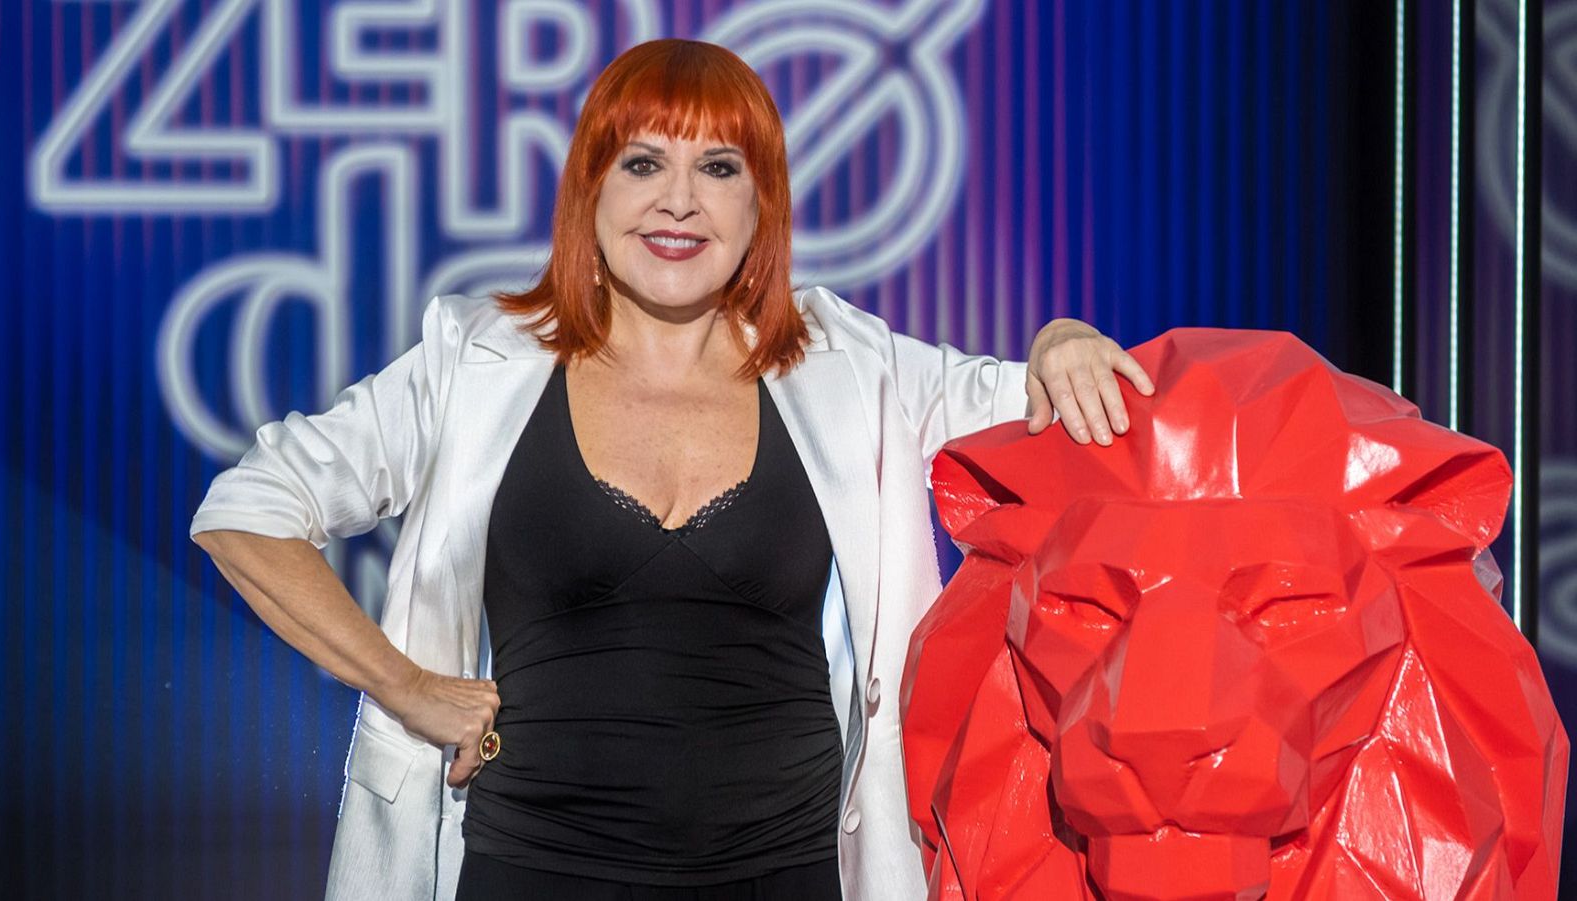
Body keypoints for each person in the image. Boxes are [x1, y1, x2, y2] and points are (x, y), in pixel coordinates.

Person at [190, 39, 1153, 901]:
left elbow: (1034, 399)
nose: (679, 200)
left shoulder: (848, 364)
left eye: (718, 167)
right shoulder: (473, 359)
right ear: (591, 193)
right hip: (529, 867)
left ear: (758, 202)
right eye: (644, 162)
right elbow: (247, 511)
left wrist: (1062, 338)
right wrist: (404, 685)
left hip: (790, 872)